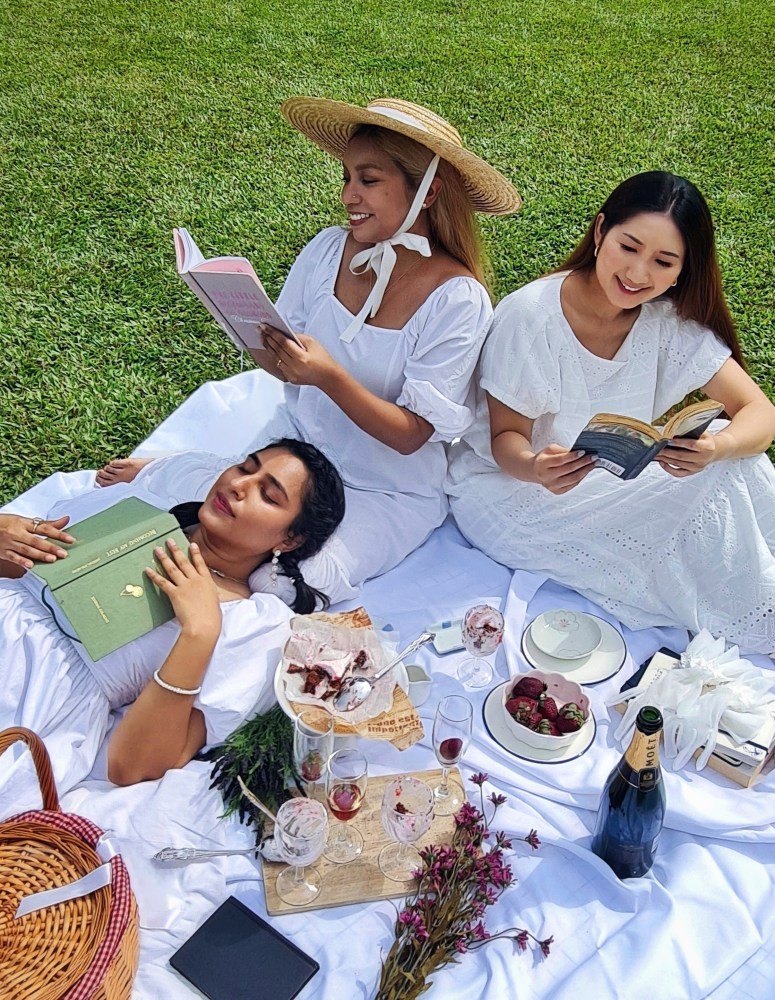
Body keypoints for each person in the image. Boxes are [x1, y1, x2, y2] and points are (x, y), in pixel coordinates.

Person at [97, 97, 520, 606]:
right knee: (181, 503)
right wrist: (243, 322)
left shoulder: (458, 298)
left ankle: (192, 645)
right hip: (294, 457)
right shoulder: (326, 249)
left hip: (383, 485)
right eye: (345, 177)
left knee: (289, 582)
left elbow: (414, 437)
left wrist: (328, 377)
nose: (348, 196)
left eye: (368, 180)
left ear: (427, 193)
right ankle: (170, 479)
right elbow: (280, 363)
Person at [446, 171, 775, 655]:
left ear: (681, 270)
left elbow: (762, 414)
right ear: (599, 232)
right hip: (513, 497)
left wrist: (716, 446)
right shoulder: (531, 316)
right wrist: (536, 467)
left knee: (733, 455)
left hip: (606, 482)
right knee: (705, 490)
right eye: (628, 247)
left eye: (662, 261)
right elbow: (504, 439)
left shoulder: (664, 320)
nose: (638, 273)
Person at [0, 440, 345, 797]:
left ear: (290, 540)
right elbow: (21, 576)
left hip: (33, 697)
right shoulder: (131, 512)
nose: (238, 485)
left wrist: (199, 633)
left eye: (268, 495)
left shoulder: (252, 625)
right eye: (244, 467)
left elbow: (131, 767)